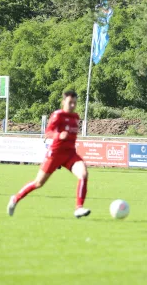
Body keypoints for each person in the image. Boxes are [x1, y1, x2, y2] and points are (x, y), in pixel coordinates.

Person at [7, 90, 90, 218]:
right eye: (70, 103)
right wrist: (58, 135)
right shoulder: (58, 115)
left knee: (83, 174)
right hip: (55, 154)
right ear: (63, 102)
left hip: (70, 154)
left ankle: (79, 208)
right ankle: (15, 198)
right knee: (38, 183)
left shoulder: (76, 117)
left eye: (74, 103)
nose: (72, 105)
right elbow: (48, 132)